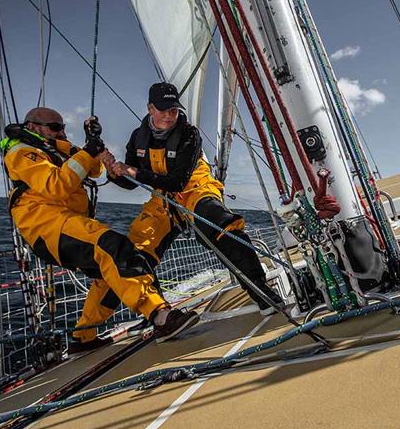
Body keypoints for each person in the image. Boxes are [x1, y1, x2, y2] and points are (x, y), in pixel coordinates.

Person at [0, 107, 199, 352]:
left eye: (62, 127)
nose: (61, 132)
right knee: (113, 246)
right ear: (33, 127)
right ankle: (159, 315)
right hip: (46, 226)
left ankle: (83, 337)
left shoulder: (60, 150)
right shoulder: (22, 152)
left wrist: (92, 144)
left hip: (67, 222)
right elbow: (56, 186)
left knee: (109, 274)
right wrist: (88, 152)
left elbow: (94, 170)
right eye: (55, 128)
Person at [108, 82, 284, 316]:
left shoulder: (189, 134)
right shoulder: (138, 138)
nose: (169, 116)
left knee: (223, 225)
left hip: (196, 190)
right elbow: (131, 183)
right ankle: (159, 314)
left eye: (174, 110)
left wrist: (134, 172)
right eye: (163, 110)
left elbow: (178, 182)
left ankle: (262, 292)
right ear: (150, 108)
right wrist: (113, 172)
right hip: (164, 200)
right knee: (134, 249)